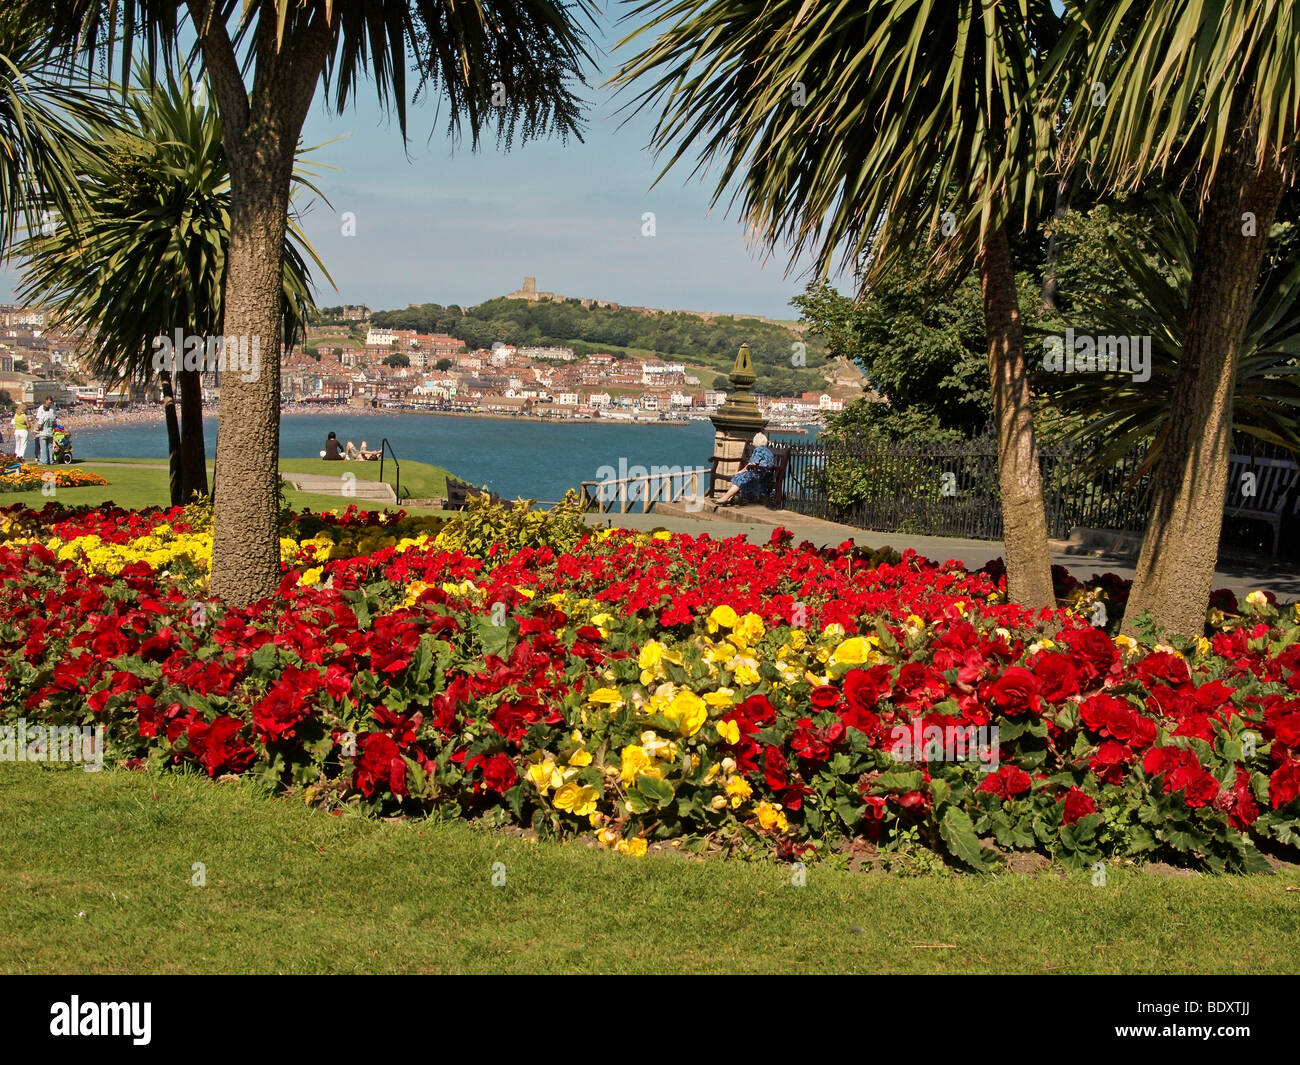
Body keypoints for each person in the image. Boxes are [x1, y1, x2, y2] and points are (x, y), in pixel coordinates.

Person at [715, 433, 775, 506]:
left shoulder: (759, 450)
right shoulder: (768, 451)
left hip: (759, 476)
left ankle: (725, 498)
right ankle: (728, 498)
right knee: (741, 477)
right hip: (766, 476)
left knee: (740, 477)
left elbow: (752, 464)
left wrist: (740, 471)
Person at [34, 396, 56, 464]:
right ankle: (51, 461)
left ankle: (44, 461)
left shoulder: (43, 415)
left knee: (43, 448)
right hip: (50, 432)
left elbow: (40, 424)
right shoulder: (52, 416)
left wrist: (38, 428)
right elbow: (54, 424)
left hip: (43, 432)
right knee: (50, 447)